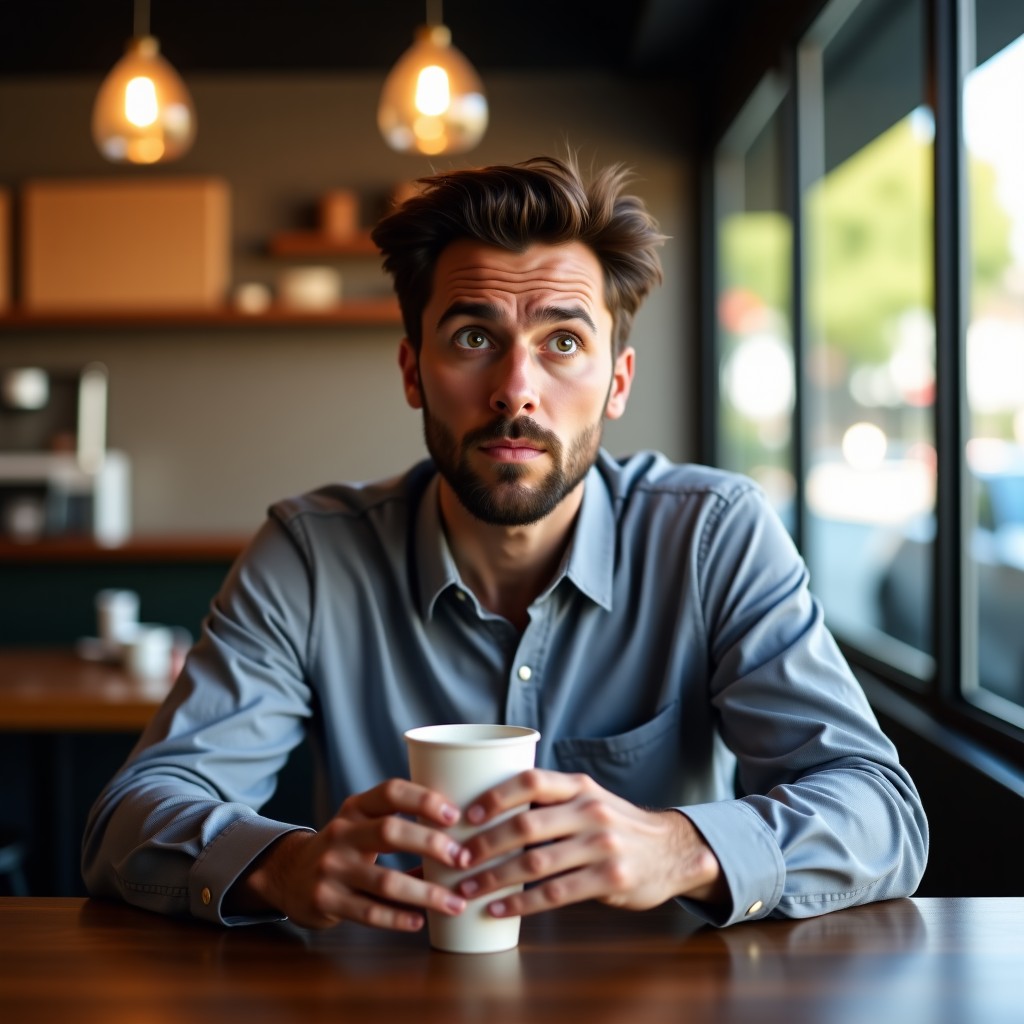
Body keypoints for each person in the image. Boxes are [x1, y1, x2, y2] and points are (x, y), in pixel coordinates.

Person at [82, 155, 928, 932]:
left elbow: (881, 812)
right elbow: (134, 815)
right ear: (414, 370)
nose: (515, 390)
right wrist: (284, 863)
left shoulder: (712, 536)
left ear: (617, 382)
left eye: (563, 341)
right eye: (474, 337)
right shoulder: (310, 555)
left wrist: (679, 846)